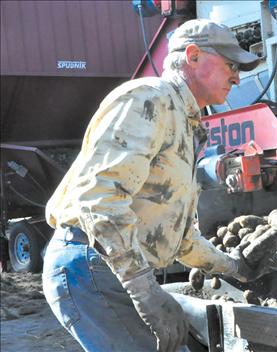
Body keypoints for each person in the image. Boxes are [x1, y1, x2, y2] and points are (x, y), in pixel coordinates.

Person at [42, 19, 261, 352]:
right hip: (91, 265)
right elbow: (100, 199)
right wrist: (144, 290)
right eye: (231, 65)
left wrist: (235, 268)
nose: (237, 77)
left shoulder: (185, 123)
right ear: (193, 55)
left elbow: (181, 240)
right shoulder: (149, 99)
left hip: (112, 268)